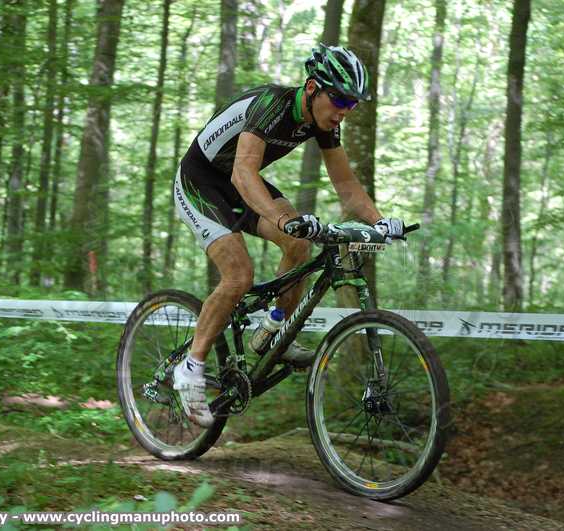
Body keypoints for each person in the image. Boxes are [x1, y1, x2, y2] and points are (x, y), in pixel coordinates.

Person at [171, 43, 405, 427]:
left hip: (236, 182)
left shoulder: (324, 122)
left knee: (299, 243)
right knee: (238, 274)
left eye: (352, 104)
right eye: (340, 99)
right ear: (312, 88)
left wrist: (381, 222)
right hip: (199, 183)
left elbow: (346, 186)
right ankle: (190, 368)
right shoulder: (271, 104)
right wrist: (280, 219)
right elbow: (243, 173)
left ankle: (274, 329)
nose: (344, 110)